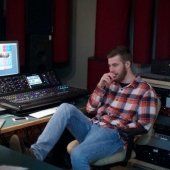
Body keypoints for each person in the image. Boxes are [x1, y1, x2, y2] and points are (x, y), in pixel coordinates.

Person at [10, 46, 158, 170]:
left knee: (78, 154)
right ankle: (35, 154)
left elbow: (144, 126)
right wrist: (100, 86)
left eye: (115, 65)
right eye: (109, 65)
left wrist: (119, 129)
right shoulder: (110, 83)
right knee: (65, 108)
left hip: (114, 135)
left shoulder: (145, 90)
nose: (110, 69)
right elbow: (90, 109)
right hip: (92, 127)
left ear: (127, 64)